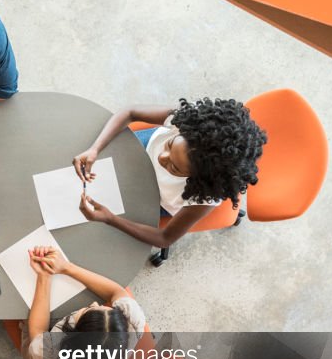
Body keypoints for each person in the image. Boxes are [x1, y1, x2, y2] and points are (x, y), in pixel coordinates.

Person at [73, 98, 266, 249]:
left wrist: (110, 219)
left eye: (174, 167)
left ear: (197, 180)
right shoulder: (187, 124)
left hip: (156, 198)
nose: (162, 158)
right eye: (170, 144)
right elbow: (130, 112)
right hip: (141, 148)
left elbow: (164, 239)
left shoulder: (204, 198)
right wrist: (95, 149)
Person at [21, 246, 146, 359]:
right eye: (104, 307)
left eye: (88, 310)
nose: (93, 303)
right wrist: (66, 267)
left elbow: (37, 331)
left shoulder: (49, 353)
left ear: (72, 335)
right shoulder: (132, 320)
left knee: (24, 313)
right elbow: (116, 291)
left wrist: (44, 275)